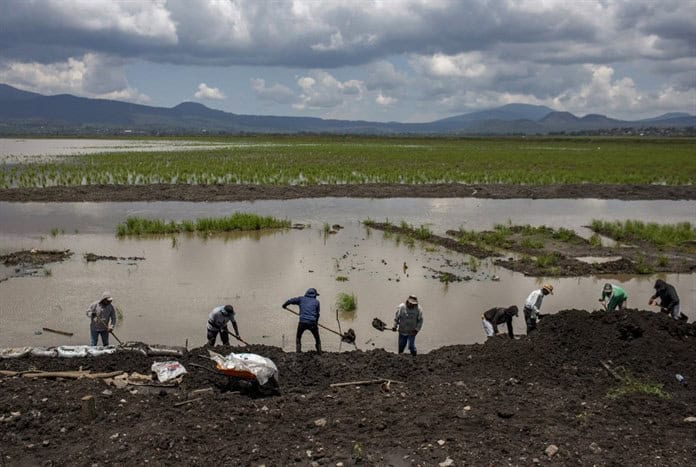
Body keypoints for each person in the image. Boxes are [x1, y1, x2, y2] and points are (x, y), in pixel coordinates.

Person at [283, 288, 321, 354]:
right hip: (312, 323)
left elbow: (291, 301)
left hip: (302, 322)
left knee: (298, 337)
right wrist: (316, 323)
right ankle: (319, 352)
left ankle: (298, 352)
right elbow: (317, 314)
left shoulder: (301, 299)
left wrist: (285, 305)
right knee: (317, 339)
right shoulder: (316, 302)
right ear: (314, 295)